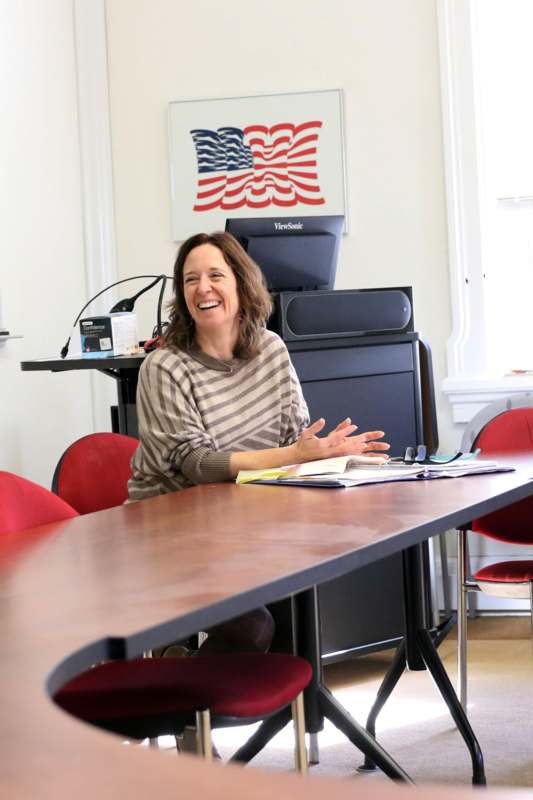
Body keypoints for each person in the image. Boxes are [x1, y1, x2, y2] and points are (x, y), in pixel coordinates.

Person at [128, 231, 389, 654]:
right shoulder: (164, 367)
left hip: (247, 524)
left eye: (216, 275)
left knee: (296, 615)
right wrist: (296, 454)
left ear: (241, 285)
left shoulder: (271, 350)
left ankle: (274, 711)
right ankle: (180, 702)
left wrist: (333, 457)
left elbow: (293, 440)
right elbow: (199, 465)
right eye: (191, 280)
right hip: (171, 534)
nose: (203, 288)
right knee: (252, 627)